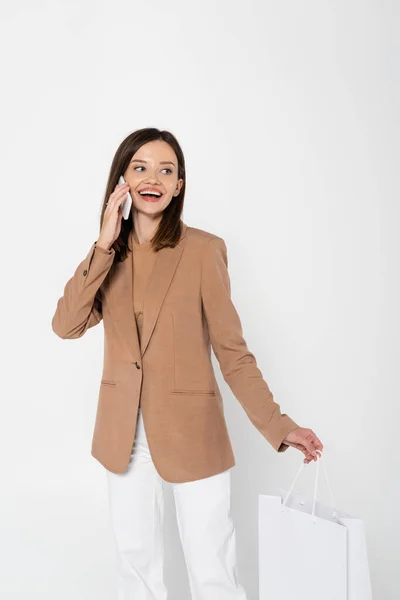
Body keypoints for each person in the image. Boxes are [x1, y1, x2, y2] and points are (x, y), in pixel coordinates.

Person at [52, 127, 323, 599]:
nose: (152, 178)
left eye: (166, 169)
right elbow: (66, 325)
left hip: (192, 434)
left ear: (179, 185)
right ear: (122, 180)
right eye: (140, 167)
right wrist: (102, 242)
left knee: (212, 568)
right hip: (124, 438)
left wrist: (280, 426)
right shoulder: (106, 257)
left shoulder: (203, 250)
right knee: (135, 571)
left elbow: (232, 353)